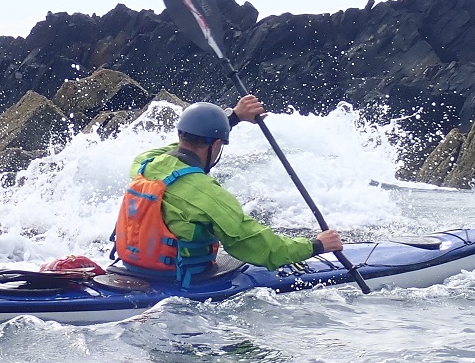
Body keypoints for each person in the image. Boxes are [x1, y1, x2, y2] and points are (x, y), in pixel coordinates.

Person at [113, 94, 344, 285]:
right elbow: (262, 248)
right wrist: (317, 245)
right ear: (216, 145)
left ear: (180, 135)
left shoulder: (144, 165)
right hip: (179, 278)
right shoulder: (208, 195)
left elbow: (181, 148)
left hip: (132, 268)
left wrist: (232, 118)